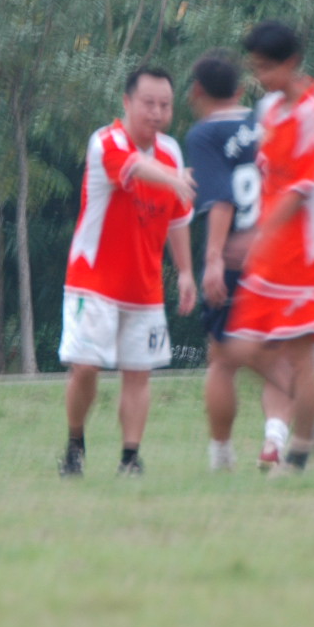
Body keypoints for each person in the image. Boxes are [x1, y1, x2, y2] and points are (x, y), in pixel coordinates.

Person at [57, 67, 197, 477]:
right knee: (85, 367)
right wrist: (174, 178)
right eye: (148, 103)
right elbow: (134, 167)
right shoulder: (106, 142)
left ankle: (130, 458)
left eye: (165, 105)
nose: (157, 113)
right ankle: (75, 444)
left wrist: (185, 272)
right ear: (127, 103)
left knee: (139, 373)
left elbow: (178, 219)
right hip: (93, 281)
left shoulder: (171, 152)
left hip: (144, 286)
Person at [222, 22, 314, 475]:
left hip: (308, 252)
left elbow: (301, 187)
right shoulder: (268, 109)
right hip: (270, 248)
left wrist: (255, 233)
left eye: (266, 68)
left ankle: (299, 454)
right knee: (238, 348)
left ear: (291, 63)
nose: (260, 78)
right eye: (255, 69)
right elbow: (267, 177)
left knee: (299, 356)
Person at [183, 50, 293, 472]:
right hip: (278, 254)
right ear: (242, 89)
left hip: (233, 257)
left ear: (196, 92)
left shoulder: (205, 134)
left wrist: (212, 258)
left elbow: (221, 198)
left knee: (222, 359)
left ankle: (222, 455)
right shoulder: (267, 122)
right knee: (278, 352)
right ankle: (274, 440)